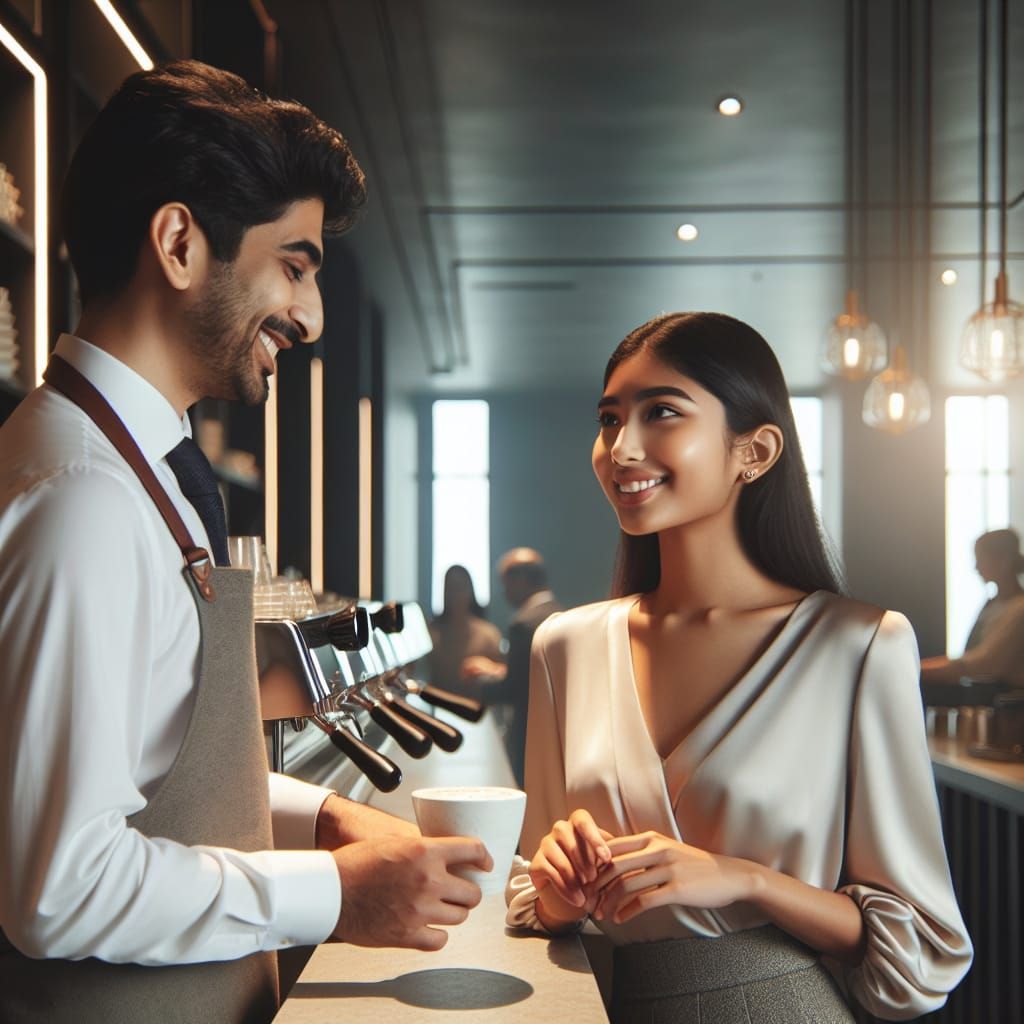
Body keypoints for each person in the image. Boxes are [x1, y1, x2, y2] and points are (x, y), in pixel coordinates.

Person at [0, 61, 490, 1024]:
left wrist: (322, 817)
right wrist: (337, 894)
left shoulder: (137, 473)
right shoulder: (84, 500)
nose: (310, 317)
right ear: (180, 242)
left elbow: (147, 771)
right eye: (296, 266)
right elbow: (59, 887)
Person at [506, 313, 972, 1022]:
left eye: (660, 411)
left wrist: (743, 881)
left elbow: (921, 940)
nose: (621, 447)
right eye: (609, 419)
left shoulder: (860, 645)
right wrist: (556, 893)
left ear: (754, 450)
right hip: (599, 1003)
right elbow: (534, 893)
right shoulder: (563, 647)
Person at [463, 548, 562, 786]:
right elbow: (536, 674)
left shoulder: (523, 623)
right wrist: (496, 670)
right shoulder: (559, 613)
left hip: (529, 734)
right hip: (557, 730)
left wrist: (477, 683)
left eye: (506, 584)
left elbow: (514, 689)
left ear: (521, 580)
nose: (504, 592)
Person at [921, 528, 1024, 686]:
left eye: (981, 559)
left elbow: (981, 664)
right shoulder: (992, 605)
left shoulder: (1019, 610)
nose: (976, 567)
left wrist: (916, 669)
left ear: (1004, 560)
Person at [428, 564, 504, 696]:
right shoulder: (432, 634)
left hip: (477, 710)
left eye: (460, 588)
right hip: (439, 709)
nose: (455, 595)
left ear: (470, 590)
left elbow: (505, 673)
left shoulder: (488, 634)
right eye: (451, 588)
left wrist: (490, 668)